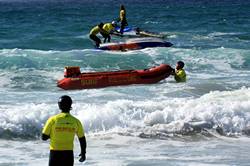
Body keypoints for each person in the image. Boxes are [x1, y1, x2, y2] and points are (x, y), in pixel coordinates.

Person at [42, 95, 86, 166]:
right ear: (70, 105)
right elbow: (82, 139)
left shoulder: (53, 120)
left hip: (55, 153)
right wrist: (83, 153)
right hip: (68, 153)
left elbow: (43, 137)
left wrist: (55, 134)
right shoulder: (76, 121)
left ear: (59, 105)